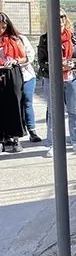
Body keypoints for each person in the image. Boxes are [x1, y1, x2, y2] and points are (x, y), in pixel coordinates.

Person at [38, 10, 76, 157]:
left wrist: (72, 64)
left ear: (65, 19)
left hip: (73, 78)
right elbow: (41, 62)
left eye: (62, 16)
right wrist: (56, 66)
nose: (59, 19)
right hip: (53, 79)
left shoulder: (74, 38)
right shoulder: (45, 39)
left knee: (73, 110)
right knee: (54, 111)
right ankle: (54, 144)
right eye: (56, 16)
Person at [0, 12, 28, 153]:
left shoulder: (15, 39)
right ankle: (4, 138)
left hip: (12, 73)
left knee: (15, 104)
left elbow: (24, 58)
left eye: (4, 27)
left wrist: (15, 60)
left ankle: (16, 137)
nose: (1, 30)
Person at [18, 32, 41, 143]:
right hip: (9, 77)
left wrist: (18, 62)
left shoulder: (20, 38)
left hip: (26, 76)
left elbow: (30, 55)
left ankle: (32, 130)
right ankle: (14, 134)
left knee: (27, 102)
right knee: (14, 105)